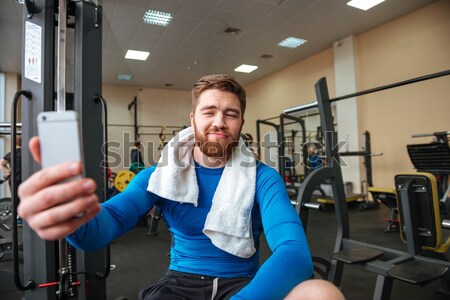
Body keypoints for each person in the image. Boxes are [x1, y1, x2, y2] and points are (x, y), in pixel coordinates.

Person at [17, 74, 345, 300]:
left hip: (241, 285)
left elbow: (294, 253)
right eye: (209, 111)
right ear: (193, 119)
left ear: (240, 124)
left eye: (230, 114)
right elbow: (105, 227)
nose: (219, 121)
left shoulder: (262, 178)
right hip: (180, 284)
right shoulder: (159, 177)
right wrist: (75, 218)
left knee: (322, 293)